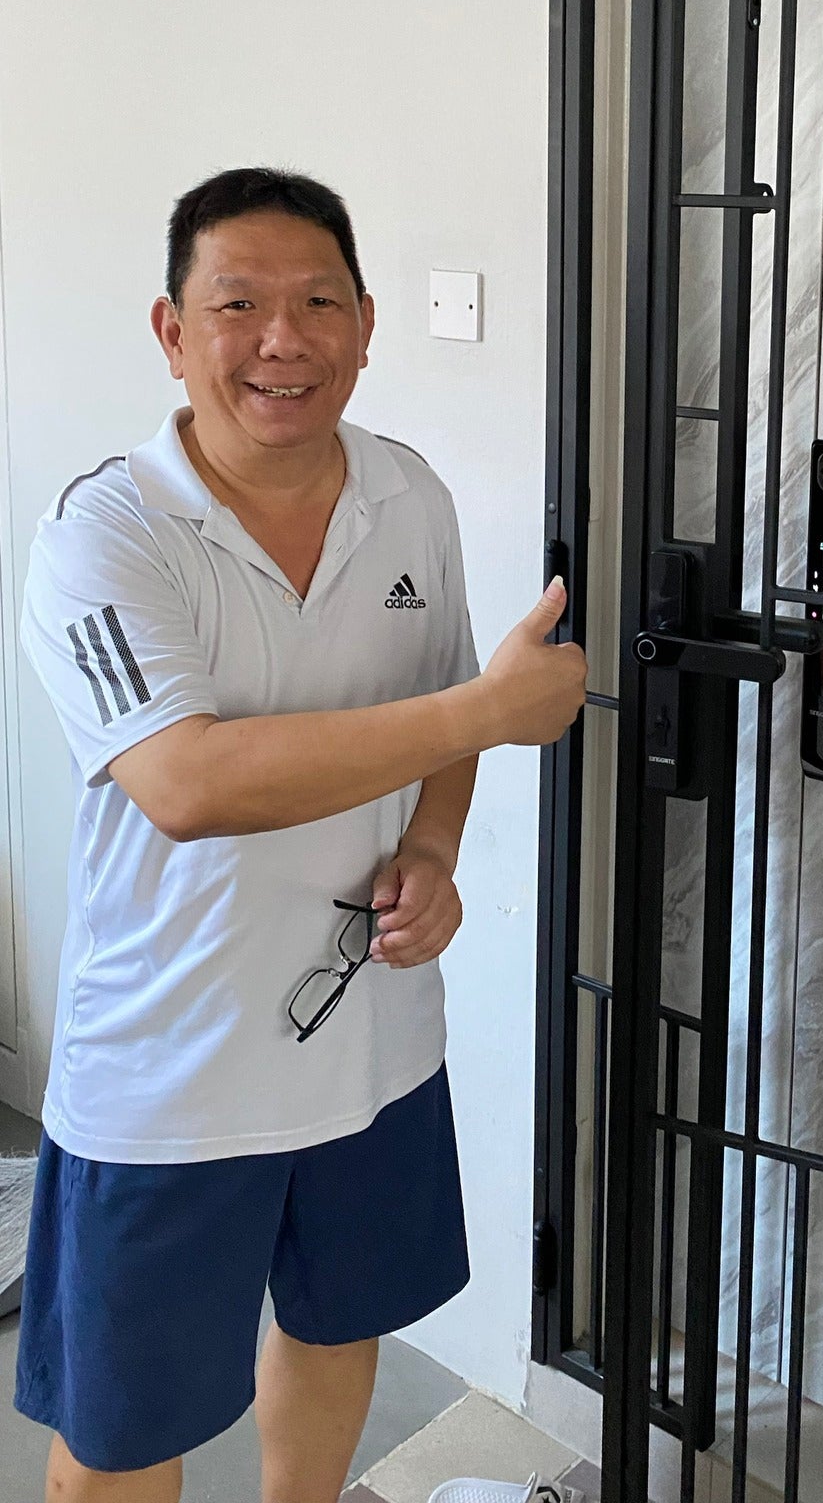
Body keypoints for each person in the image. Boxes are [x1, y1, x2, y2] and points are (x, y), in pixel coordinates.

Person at [15, 168, 587, 1503]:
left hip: (370, 1039)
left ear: (367, 327)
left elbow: (440, 709)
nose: (284, 338)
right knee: (119, 1433)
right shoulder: (106, 531)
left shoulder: (408, 494)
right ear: (172, 331)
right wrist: (487, 711)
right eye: (239, 305)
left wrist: (434, 852)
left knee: (338, 1329)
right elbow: (187, 783)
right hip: (170, 1070)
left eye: (320, 302)